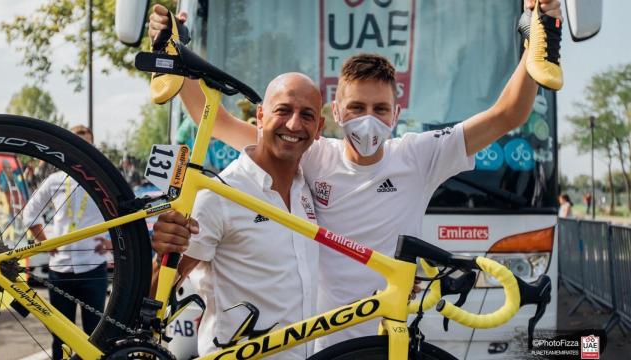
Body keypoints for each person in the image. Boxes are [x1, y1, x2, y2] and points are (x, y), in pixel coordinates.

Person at [148, 0, 562, 351]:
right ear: (337, 113)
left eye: (381, 109)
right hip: (316, 343)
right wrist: (172, 55)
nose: (369, 120)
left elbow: (508, 114)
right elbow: (217, 122)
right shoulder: (310, 153)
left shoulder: (419, 155)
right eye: (357, 108)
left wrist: (534, 40)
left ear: (396, 115)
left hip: (388, 336)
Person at [151, 73, 324, 359]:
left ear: (319, 128)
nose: (294, 124)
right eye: (283, 110)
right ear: (260, 116)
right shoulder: (220, 195)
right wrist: (163, 253)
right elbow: (157, 290)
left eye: (307, 115)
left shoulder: (310, 187)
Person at [23, 125, 112, 360]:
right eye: (78, 143)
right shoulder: (54, 180)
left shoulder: (103, 181)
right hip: (60, 269)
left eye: (88, 144)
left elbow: (123, 218)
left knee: (96, 335)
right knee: (60, 336)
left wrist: (110, 243)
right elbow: (30, 213)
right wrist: (44, 241)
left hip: (93, 267)